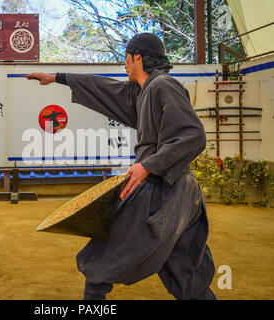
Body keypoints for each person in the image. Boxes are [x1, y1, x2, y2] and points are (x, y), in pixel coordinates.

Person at [27, 33, 216, 300]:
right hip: (179, 193)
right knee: (183, 271)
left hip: (162, 190)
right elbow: (102, 88)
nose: (124, 65)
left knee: (103, 258)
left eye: (126, 59)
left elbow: (193, 136)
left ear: (137, 57)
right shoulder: (142, 90)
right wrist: (58, 78)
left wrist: (147, 166)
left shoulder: (162, 85)